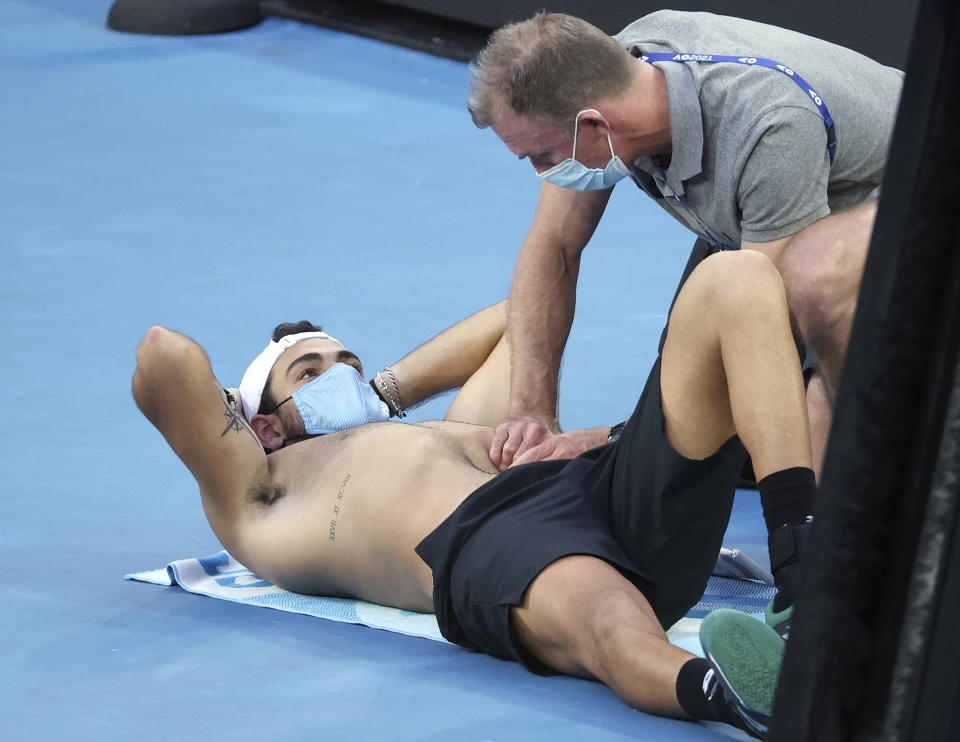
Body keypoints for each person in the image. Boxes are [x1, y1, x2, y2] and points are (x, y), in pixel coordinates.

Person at [133, 250, 813, 738]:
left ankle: (805, 580)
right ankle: (750, 701)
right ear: (259, 424)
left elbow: (523, 317)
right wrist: (242, 413)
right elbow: (163, 358)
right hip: (489, 536)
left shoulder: (440, 429)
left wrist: (383, 392)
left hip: (593, 489)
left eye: (350, 365)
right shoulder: (262, 496)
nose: (341, 375)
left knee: (732, 278)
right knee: (609, 617)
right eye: (310, 373)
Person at [466, 10, 903, 476]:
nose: (542, 174)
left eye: (542, 156)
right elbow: (553, 247)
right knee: (686, 386)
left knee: (811, 460)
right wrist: (532, 412)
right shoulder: (611, 70)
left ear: (594, 126)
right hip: (789, 212)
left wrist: (614, 439)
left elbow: (760, 329)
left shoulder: (770, 124)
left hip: (924, 203)